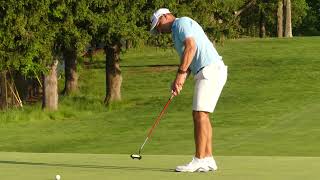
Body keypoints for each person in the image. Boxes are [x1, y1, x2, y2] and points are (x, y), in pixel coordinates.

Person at [150, 8, 228, 172]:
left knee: (199, 114)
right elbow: (189, 58)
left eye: (158, 25)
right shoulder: (176, 31)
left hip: (210, 70)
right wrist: (180, 80)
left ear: (165, 16)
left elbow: (191, 47)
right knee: (202, 115)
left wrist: (180, 74)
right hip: (207, 70)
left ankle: (198, 159)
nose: (159, 30)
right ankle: (208, 159)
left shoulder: (181, 22)